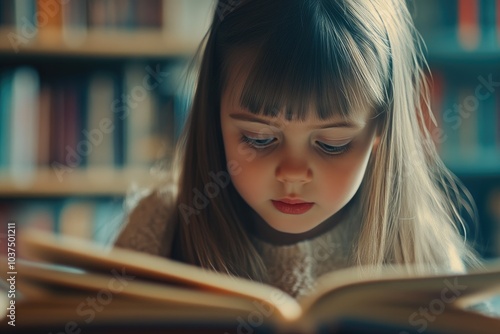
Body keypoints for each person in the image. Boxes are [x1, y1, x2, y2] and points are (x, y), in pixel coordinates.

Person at [114, 0, 482, 299]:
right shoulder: (162, 226)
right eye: (258, 138)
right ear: (214, 117)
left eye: (331, 144)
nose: (292, 172)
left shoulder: (419, 248)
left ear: (379, 130)